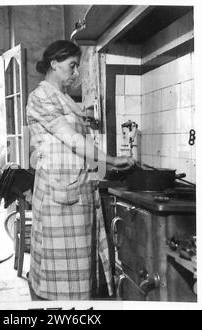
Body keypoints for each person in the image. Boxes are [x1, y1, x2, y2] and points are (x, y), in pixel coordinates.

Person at [26, 40, 136, 300]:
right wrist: (111, 160)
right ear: (54, 63)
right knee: (60, 272)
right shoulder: (41, 96)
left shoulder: (64, 99)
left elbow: (83, 143)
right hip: (59, 193)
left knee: (78, 270)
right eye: (71, 66)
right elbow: (73, 140)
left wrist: (102, 166)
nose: (75, 72)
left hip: (75, 188)